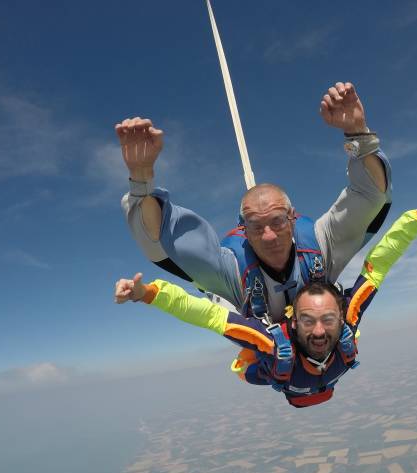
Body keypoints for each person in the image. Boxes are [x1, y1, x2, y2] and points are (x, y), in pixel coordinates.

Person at [114, 193, 417, 408]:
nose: (320, 328)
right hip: (306, 373)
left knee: (244, 360)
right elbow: (378, 267)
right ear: (342, 317)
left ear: (290, 321)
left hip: (272, 370)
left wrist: (150, 294)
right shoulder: (348, 327)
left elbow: (208, 314)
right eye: (316, 318)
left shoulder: (271, 343)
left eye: (315, 320)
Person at [117, 81, 391, 323]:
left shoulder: (319, 245)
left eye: (277, 221)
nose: (269, 235)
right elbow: (161, 240)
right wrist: (141, 180)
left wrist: (358, 134)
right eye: (256, 226)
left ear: (292, 218)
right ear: (243, 230)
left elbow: (371, 197)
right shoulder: (231, 270)